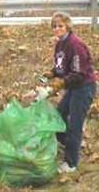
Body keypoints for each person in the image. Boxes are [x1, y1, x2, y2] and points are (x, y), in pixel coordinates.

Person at [43, 11, 96, 173]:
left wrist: (61, 83)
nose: (57, 29)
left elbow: (79, 73)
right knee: (59, 116)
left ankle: (71, 163)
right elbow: (61, 66)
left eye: (60, 25)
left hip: (84, 87)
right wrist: (52, 73)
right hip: (73, 87)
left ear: (68, 26)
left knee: (75, 124)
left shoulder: (75, 44)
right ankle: (73, 143)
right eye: (54, 26)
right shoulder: (60, 44)